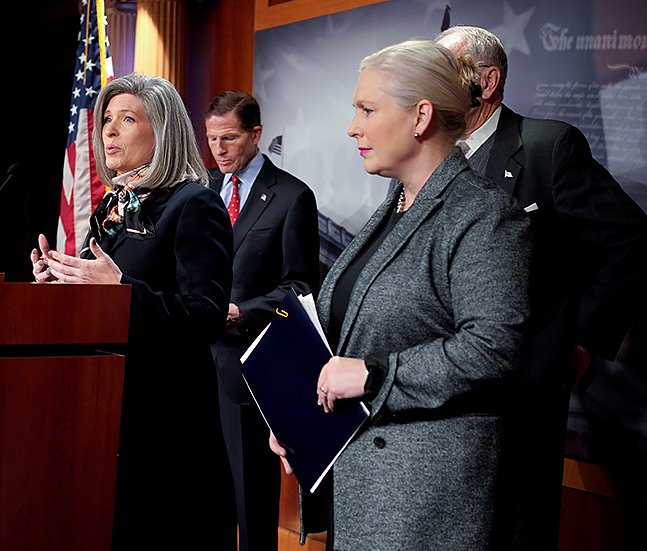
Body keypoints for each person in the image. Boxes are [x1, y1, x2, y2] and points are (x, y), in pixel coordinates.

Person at [271, 40, 531, 549]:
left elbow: (494, 347)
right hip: (361, 486)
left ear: (421, 116)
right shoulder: (394, 209)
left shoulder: (483, 216)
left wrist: (374, 374)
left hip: (425, 501)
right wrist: (301, 417)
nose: (353, 127)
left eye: (367, 109)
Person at [435, 26, 647, 550]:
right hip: (445, 385)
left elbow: (631, 242)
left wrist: (581, 341)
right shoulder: (430, 158)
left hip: (523, 388)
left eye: (442, 70)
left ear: (486, 81)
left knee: (517, 531)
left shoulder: (547, 146)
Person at [30, 73, 235, 549]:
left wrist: (122, 287)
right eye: (106, 120)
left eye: (127, 119)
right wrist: (62, 281)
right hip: (106, 409)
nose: (110, 131)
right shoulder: (112, 208)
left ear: (162, 132)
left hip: (166, 423)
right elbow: (97, 296)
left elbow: (205, 313)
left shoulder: (194, 204)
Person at [204, 90, 320, 551]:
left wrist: (242, 313)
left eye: (229, 138)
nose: (219, 149)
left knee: (251, 498)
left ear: (255, 135)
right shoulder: (201, 190)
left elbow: (300, 288)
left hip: (247, 368)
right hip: (194, 364)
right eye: (212, 139)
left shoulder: (293, 197)